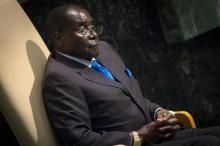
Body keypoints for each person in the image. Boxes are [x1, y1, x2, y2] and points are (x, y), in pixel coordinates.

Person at [42, 4, 220, 146]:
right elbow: (79, 139)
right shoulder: (59, 78)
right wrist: (139, 136)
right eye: (82, 29)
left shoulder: (104, 49)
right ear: (58, 38)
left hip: (159, 135)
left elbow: (131, 95)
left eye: (92, 26)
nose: (93, 35)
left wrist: (158, 111)